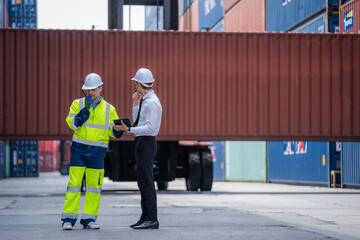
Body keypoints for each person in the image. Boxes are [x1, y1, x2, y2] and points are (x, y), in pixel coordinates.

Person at [61, 73, 123, 230]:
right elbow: (73, 125)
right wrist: (85, 110)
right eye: (87, 90)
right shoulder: (77, 105)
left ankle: (89, 219)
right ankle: (68, 219)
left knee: (94, 188)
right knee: (74, 185)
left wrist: (119, 130)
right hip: (79, 151)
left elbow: (113, 132)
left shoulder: (110, 109)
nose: (90, 93)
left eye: (93, 89)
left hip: (97, 153)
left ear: (101, 88)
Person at [114, 68, 162, 230]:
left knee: (147, 183)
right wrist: (135, 105)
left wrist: (128, 130)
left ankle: (152, 219)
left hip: (147, 143)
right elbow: (138, 122)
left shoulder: (152, 102)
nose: (134, 85)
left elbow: (148, 128)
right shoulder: (145, 101)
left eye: (135, 83)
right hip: (142, 143)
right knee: (143, 183)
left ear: (139, 84)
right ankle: (145, 217)